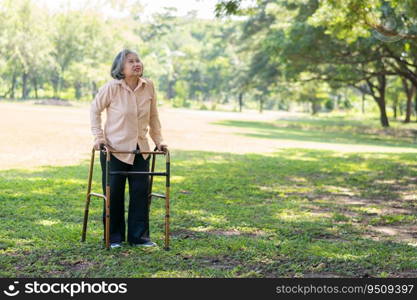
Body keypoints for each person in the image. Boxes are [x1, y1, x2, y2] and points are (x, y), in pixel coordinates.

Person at [90, 49, 168, 249]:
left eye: (138, 60)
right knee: (114, 194)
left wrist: (158, 141)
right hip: (114, 150)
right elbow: (95, 110)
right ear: (120, 68)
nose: (136, 64)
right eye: (131, 61)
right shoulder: (111, 88)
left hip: (140, 149)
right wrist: (99, 138)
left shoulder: (148, 86)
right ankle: (114, 237)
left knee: (140, 193)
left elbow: (153, 117)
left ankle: (139, 237)